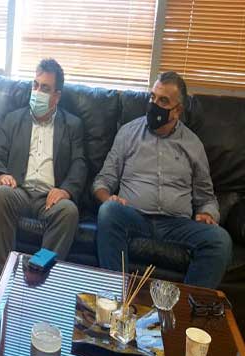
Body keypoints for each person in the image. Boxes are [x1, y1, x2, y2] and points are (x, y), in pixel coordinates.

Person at [93, 71, 232, 289]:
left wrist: (207, 213)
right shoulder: (128, 133)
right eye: (152, 97)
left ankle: (186, 305)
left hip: (176, 224)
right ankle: (115, 296)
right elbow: (103, 180)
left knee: (220, 240)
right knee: (108, 211)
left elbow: (207, 197)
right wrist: (107, 198)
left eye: (163, 101)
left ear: (177, 111)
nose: (154, 105)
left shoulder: (192, 144)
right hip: (134, 216)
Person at [0, 58, 86, 274]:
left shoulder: (72, 125)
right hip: (19, 191)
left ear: (56, 96)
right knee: (0, 194)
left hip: (49, 198)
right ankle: (5, 275)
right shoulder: (13, 119)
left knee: (69, 211)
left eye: (45, 88)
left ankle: (40, 276)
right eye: (35, 85)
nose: (37, 92)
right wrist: (2, 175)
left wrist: (66, 190)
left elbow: (80, 164)